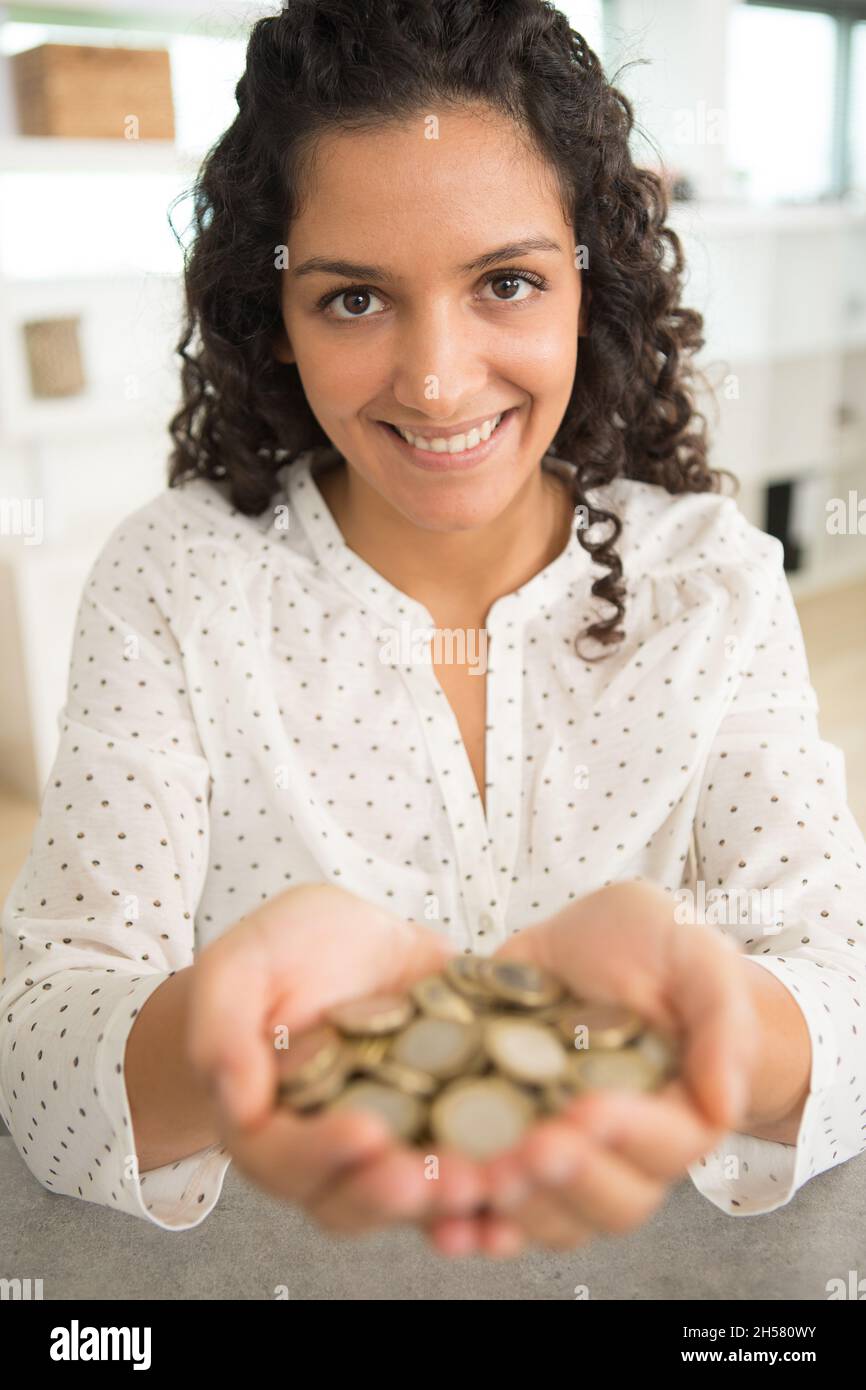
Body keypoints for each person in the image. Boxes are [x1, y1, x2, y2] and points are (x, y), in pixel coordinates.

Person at [2, 0, 865, 1262]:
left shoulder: (713, 583)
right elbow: (36, 1046)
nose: (437, 381)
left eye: (505, 281)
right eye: (355, 300)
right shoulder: (175, 581)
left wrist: (714, 1017)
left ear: (592, 285)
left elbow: (840, 981)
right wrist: (244, 1029)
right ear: (274, 313)